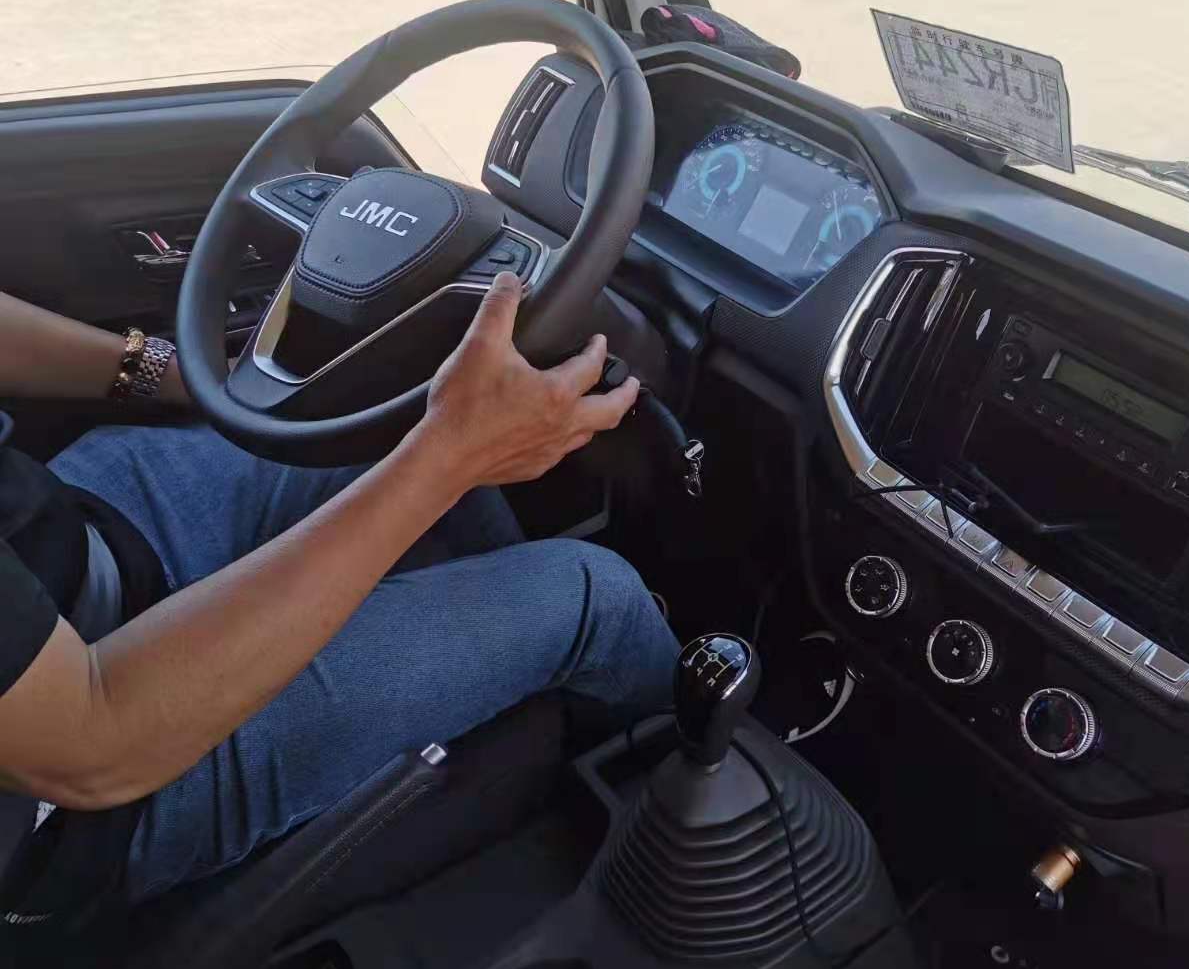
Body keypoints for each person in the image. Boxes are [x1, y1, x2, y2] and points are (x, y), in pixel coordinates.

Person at [0, 272, 679, 909]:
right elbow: (90, 745)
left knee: (376, 420)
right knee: (600, 598)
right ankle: (685, 805)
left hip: (72, 538)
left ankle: (525, 714)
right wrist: (447, 458)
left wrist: (184, 377)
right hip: (96, 771)